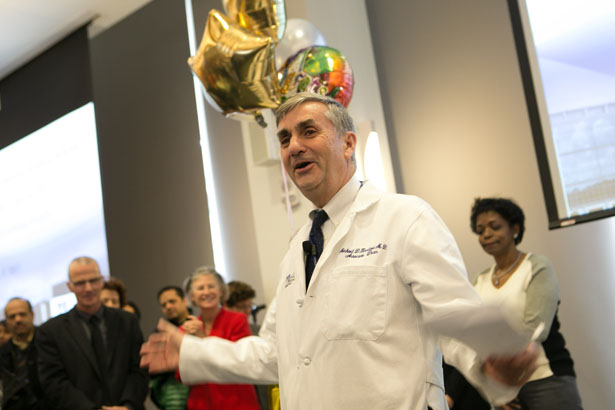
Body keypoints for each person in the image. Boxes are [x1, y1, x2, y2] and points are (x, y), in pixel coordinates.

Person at [141, 93, 538, 410]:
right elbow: (274, 354)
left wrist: (492, 361)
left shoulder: (405, 218)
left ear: (348, 143)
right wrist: (191, 352)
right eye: (284, 138)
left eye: (308, 131)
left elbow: (454, 318)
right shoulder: (297, 248)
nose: (293, 146)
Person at [469, 197, 583, 409]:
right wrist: (497, 390)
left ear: (515, 228)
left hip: (545, 378)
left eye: (494, 226)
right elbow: (479, 334)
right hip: (503, 387)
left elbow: (536, 328)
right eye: (480, 230)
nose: (486, 234)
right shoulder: (479, 280)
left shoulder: (537, 266)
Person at [37, 256, 148, 409]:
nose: (88, 288)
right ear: (70, 286)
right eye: (80, 283)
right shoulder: (51, 331)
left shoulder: (127, 321)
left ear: (102, 280)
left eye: (93, 280)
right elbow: (54, 382)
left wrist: (127, 405)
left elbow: (139, 369)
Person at [179, 267, 261, 410]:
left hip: (237, 402)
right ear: (192, 296)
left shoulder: (237, 320)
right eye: (200, 288)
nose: (206, 292)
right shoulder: (185, 329)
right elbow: (181, 374)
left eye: (211, 286)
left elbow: (242, 363)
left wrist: (201, 339)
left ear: (221, 291)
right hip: (201, 404)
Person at [0, 297, 48, 410]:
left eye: (22, 314)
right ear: (6, 321)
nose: (18, 319)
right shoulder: (3, 353)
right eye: (12, 316)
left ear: (32, 314)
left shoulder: (49, 341)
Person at [150, 286, 191, 410]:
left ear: (184, 301)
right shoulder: (159, 334)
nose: (168, 307)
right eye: (163, 305)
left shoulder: (199, 326)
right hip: (171, 395)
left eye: (172, 301)